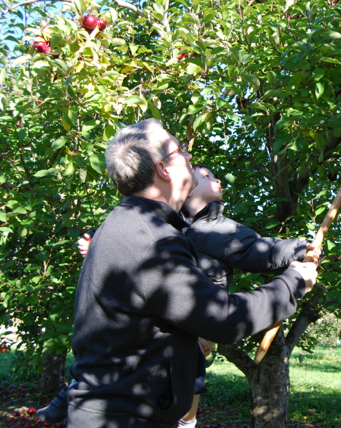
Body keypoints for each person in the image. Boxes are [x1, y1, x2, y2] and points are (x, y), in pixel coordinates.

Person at [65, 118, 318, 428]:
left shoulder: (126, 224)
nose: (188, 157)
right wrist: (293, 283)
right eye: (181, 150)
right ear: (163, 169)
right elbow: (222, 318)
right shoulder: (152, 241)